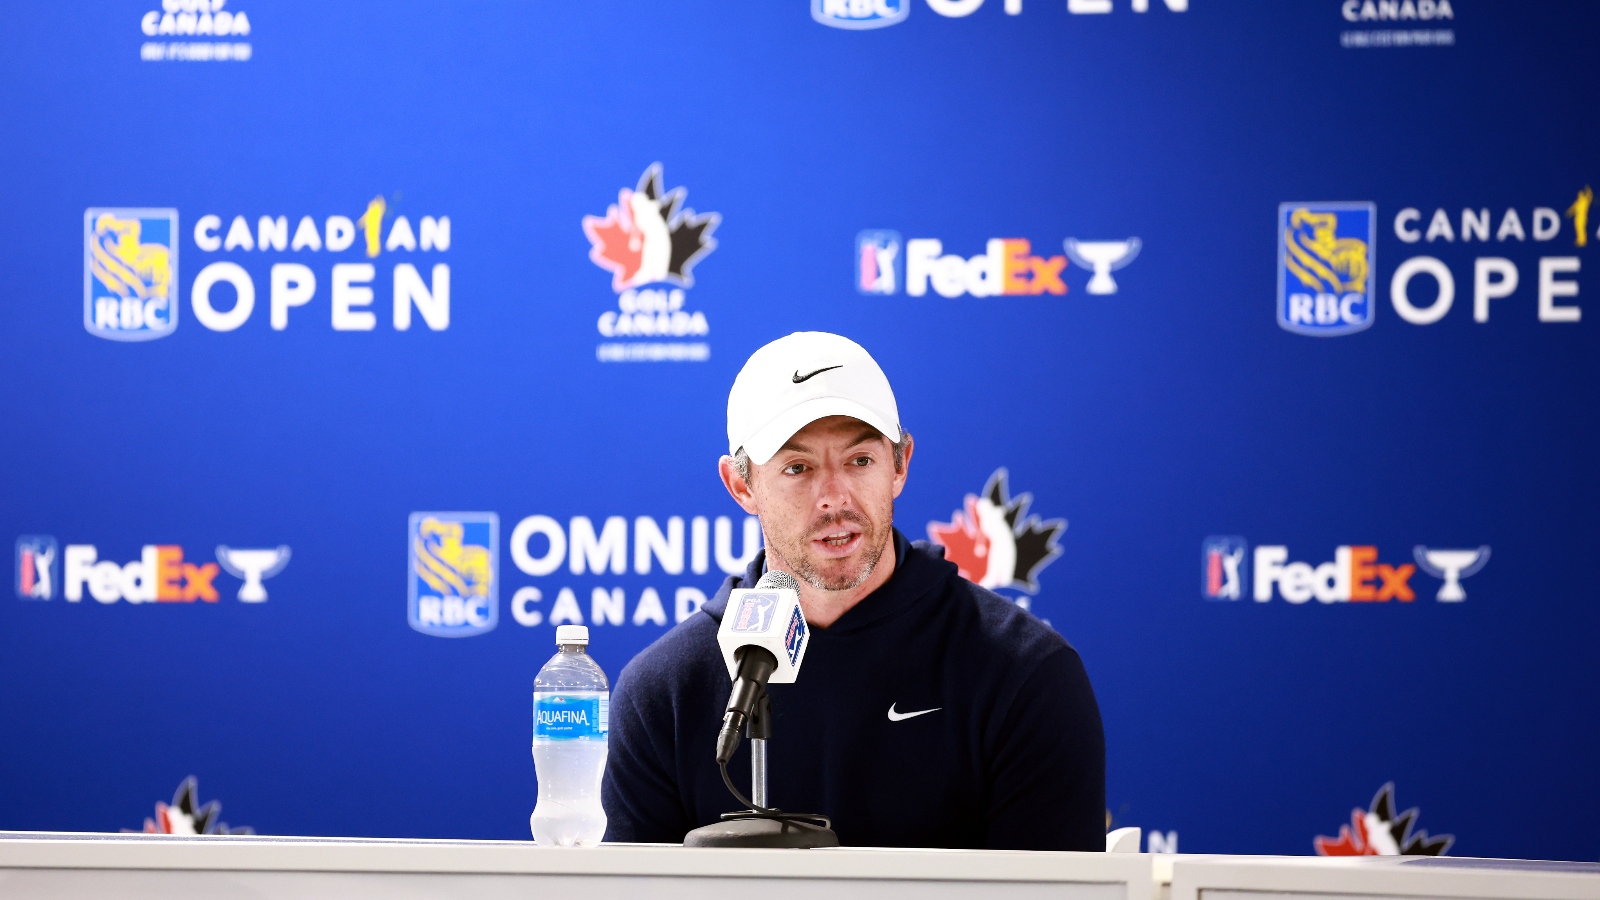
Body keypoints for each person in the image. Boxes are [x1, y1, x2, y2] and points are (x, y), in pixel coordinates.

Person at [602, 332, 1104, 849]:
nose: (834, 498)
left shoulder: (1024, 674)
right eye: (798, 468)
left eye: (860, 461)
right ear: (741, 486)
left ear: (900, 464)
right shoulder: (663, 693)